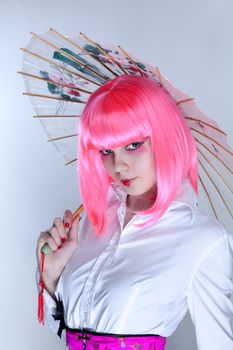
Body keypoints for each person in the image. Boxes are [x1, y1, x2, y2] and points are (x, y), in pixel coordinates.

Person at [36, 75, 233, 350]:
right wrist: (52, 276)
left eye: (133, 145)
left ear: (166, 136)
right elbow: (70, 332)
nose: (119, 166)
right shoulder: (90, 223)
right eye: (106, 150)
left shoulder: (204, 240)